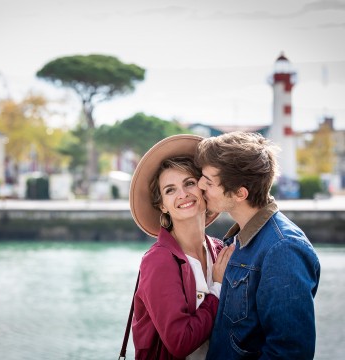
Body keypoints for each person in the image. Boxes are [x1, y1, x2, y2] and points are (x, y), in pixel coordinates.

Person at [194, 131, 321, 360]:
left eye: (209, 181)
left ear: (240, 194)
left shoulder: (284, 249)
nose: (200, 185)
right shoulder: (234, 241)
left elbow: (290, 353)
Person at [129, 134, 235, 360]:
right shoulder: (158, 261)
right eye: (170, 190)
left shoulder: (219, 250)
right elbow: (179, 342)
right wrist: (216, 288)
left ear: (203, 189)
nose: (183, 194)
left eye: (189, 183)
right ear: (163, 206)